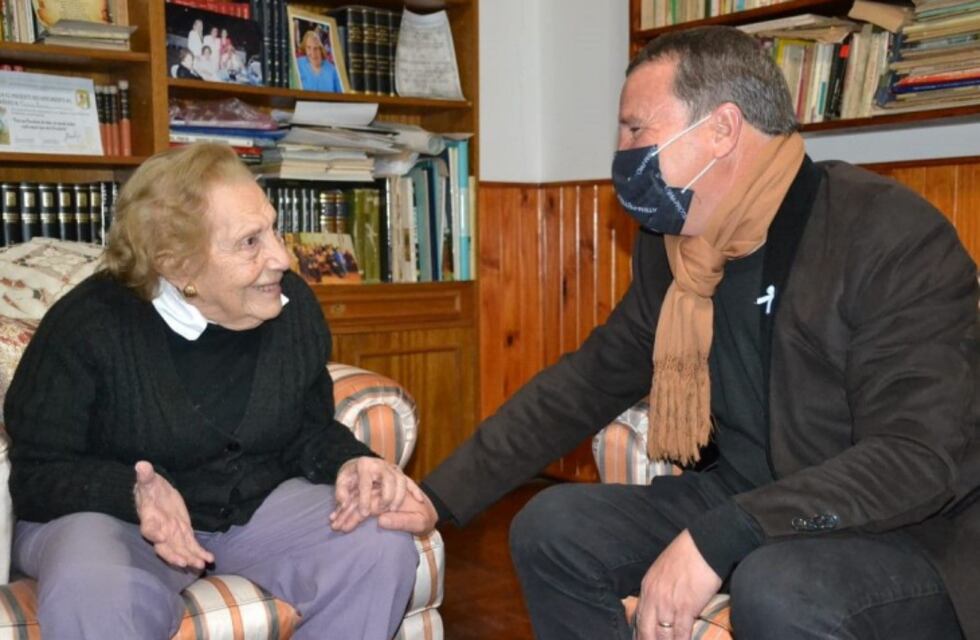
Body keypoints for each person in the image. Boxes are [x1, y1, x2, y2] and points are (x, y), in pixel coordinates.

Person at [377, 25, 979, 640]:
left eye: (637, 130)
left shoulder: (885, 234)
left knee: (778, 584)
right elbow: (588, 381)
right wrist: (438, 496)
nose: (622, 151)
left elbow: (916, 459)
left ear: (721, 129)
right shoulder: (678, 252)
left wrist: (724, 534)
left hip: (902, 530)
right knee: (552, 527)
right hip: (751, 496)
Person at [5, 143, 431, 639]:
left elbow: (305, 429)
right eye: (250, 242)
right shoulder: (88, 326)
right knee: (95, 591)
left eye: (272, 228)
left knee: (378, 543)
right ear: (177, 265)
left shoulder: (291, 307)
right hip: (116, 520)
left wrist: (353, 462)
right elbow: (37, 471)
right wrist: (131, 493)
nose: (280, 256)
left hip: (253, 510)